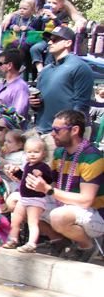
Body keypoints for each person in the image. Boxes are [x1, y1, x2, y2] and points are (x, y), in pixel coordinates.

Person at [29, 109, 104, 262]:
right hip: (67, 206)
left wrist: (48, 190)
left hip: (95, 214)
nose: (52, 134)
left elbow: (86, 200)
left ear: (75, 130)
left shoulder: (92, 157)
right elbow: (51, 185)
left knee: (58, 216)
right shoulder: (59, 153)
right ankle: (59, 242)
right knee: (25, 202)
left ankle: (87, 246)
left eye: (57, 130)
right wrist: (21, 177)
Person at [30, 26, 94, 134]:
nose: (50, 43)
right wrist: (33, 103)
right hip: (41, 131)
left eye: (54, 40)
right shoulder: (45, 71)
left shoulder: (80, 67)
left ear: (68, 43)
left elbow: (81, 106)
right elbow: (42, 102)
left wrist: (69, 132)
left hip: (64, 133)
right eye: (48, 40)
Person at [2, 136, 55, 253]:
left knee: (33, 222)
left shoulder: (43, 167)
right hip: (24, 197)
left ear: (44, 154)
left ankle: (32, 243)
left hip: (36, 199)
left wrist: (41, 174)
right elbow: (23, 178)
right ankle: (13, 239)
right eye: (29, 152)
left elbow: (49, 179)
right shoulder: (27, 165)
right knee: (15, 219)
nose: (32, 155)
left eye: (36, 152)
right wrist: (16, 173)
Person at [0, 48, 29, 144]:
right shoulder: (0, 86)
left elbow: (16, 118)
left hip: (5, 146)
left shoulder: (20, 88)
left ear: (9, 65)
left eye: (0, 63)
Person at [29, 0, 72, 71]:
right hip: (45, 39)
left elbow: (63, 28)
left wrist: (54, 18)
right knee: (34, 48)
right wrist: (39, 18)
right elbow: (37, 28)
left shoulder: (62, 15)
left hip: (55, 40)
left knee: (50, 50)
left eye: (54, 3)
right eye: (49, 2)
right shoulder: (45, 15)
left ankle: (47, 68)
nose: (51, 5)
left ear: (61, 5)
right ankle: (39, 69)